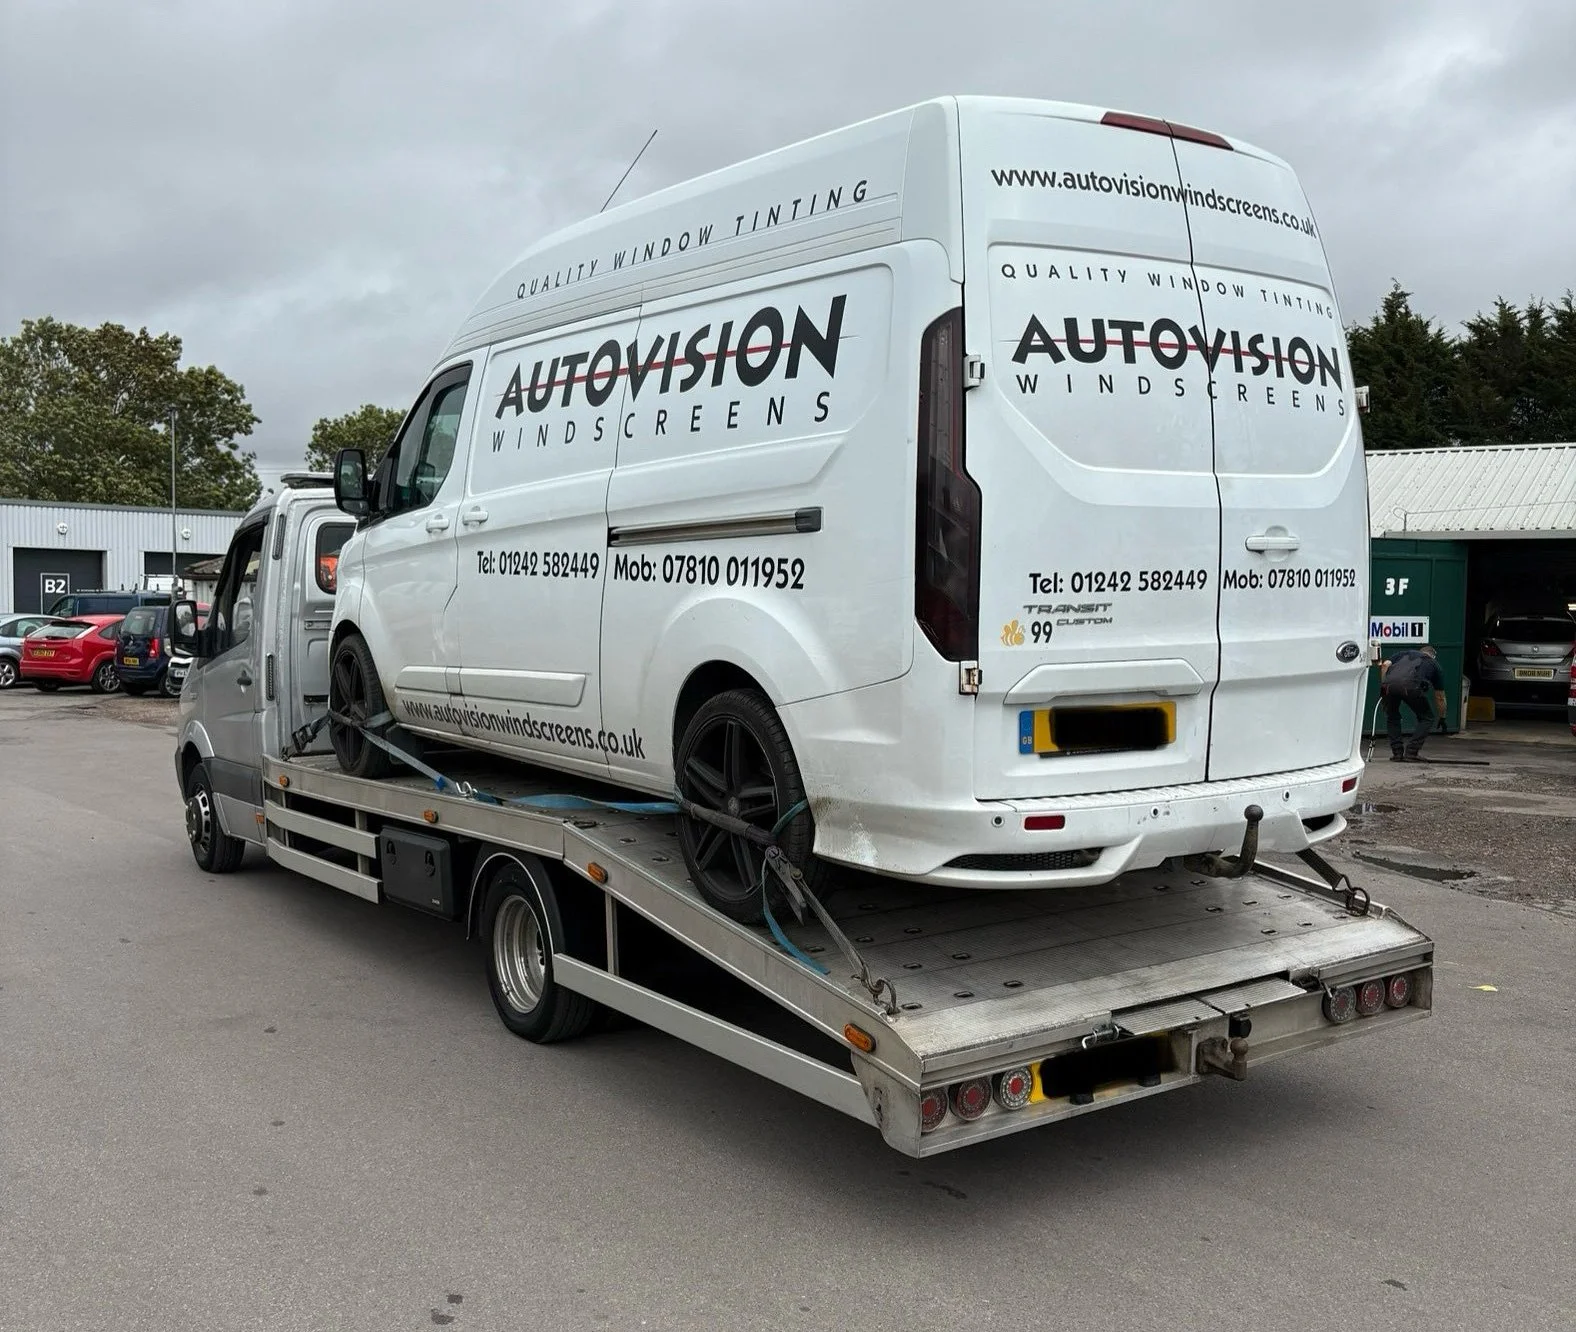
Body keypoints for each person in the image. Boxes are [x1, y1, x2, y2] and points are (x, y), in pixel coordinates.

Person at [1380, 645, 1446, 761]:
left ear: (1420, 651)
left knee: (1392, 716)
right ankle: (1411, 752)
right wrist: (1442, 717)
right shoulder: (1434, 664)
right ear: (1433, 656)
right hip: (1411, 686)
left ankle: (1397, 753)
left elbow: (1385, 665)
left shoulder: (1403, 654)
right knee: (1427, 718)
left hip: (1389, 686)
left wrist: (1384, 687)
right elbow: (1440, 697)